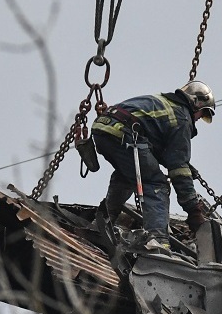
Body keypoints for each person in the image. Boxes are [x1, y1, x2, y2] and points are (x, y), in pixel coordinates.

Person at [91, 80, 215, 245]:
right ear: (195, 103)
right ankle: (158, 242)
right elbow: (179, 170)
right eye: (203, 113)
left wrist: (178, 163)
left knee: (127, 177)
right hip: (126, 134)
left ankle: (99, 225)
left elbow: (155, 146)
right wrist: (193, 209)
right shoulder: (182, 118)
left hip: (104, 129)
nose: (200, 118)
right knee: (156, 184)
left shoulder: (165, 103)